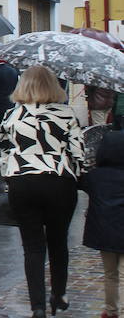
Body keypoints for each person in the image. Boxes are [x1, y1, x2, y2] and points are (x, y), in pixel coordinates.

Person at [0, 65, 84, 318]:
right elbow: (78, 153)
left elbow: (4, 155)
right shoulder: (67, 114)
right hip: (58, 181)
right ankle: (58, 295)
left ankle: (37, 306)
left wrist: (10, 180)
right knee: (59, 242)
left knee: (32, 247)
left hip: (23, 182)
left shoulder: (11, 116)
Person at [82, 131, 124, 318]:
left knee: (110, 274)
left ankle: (112, 310)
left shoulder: (95, 176)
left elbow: (76, 181)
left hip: (105, 231)